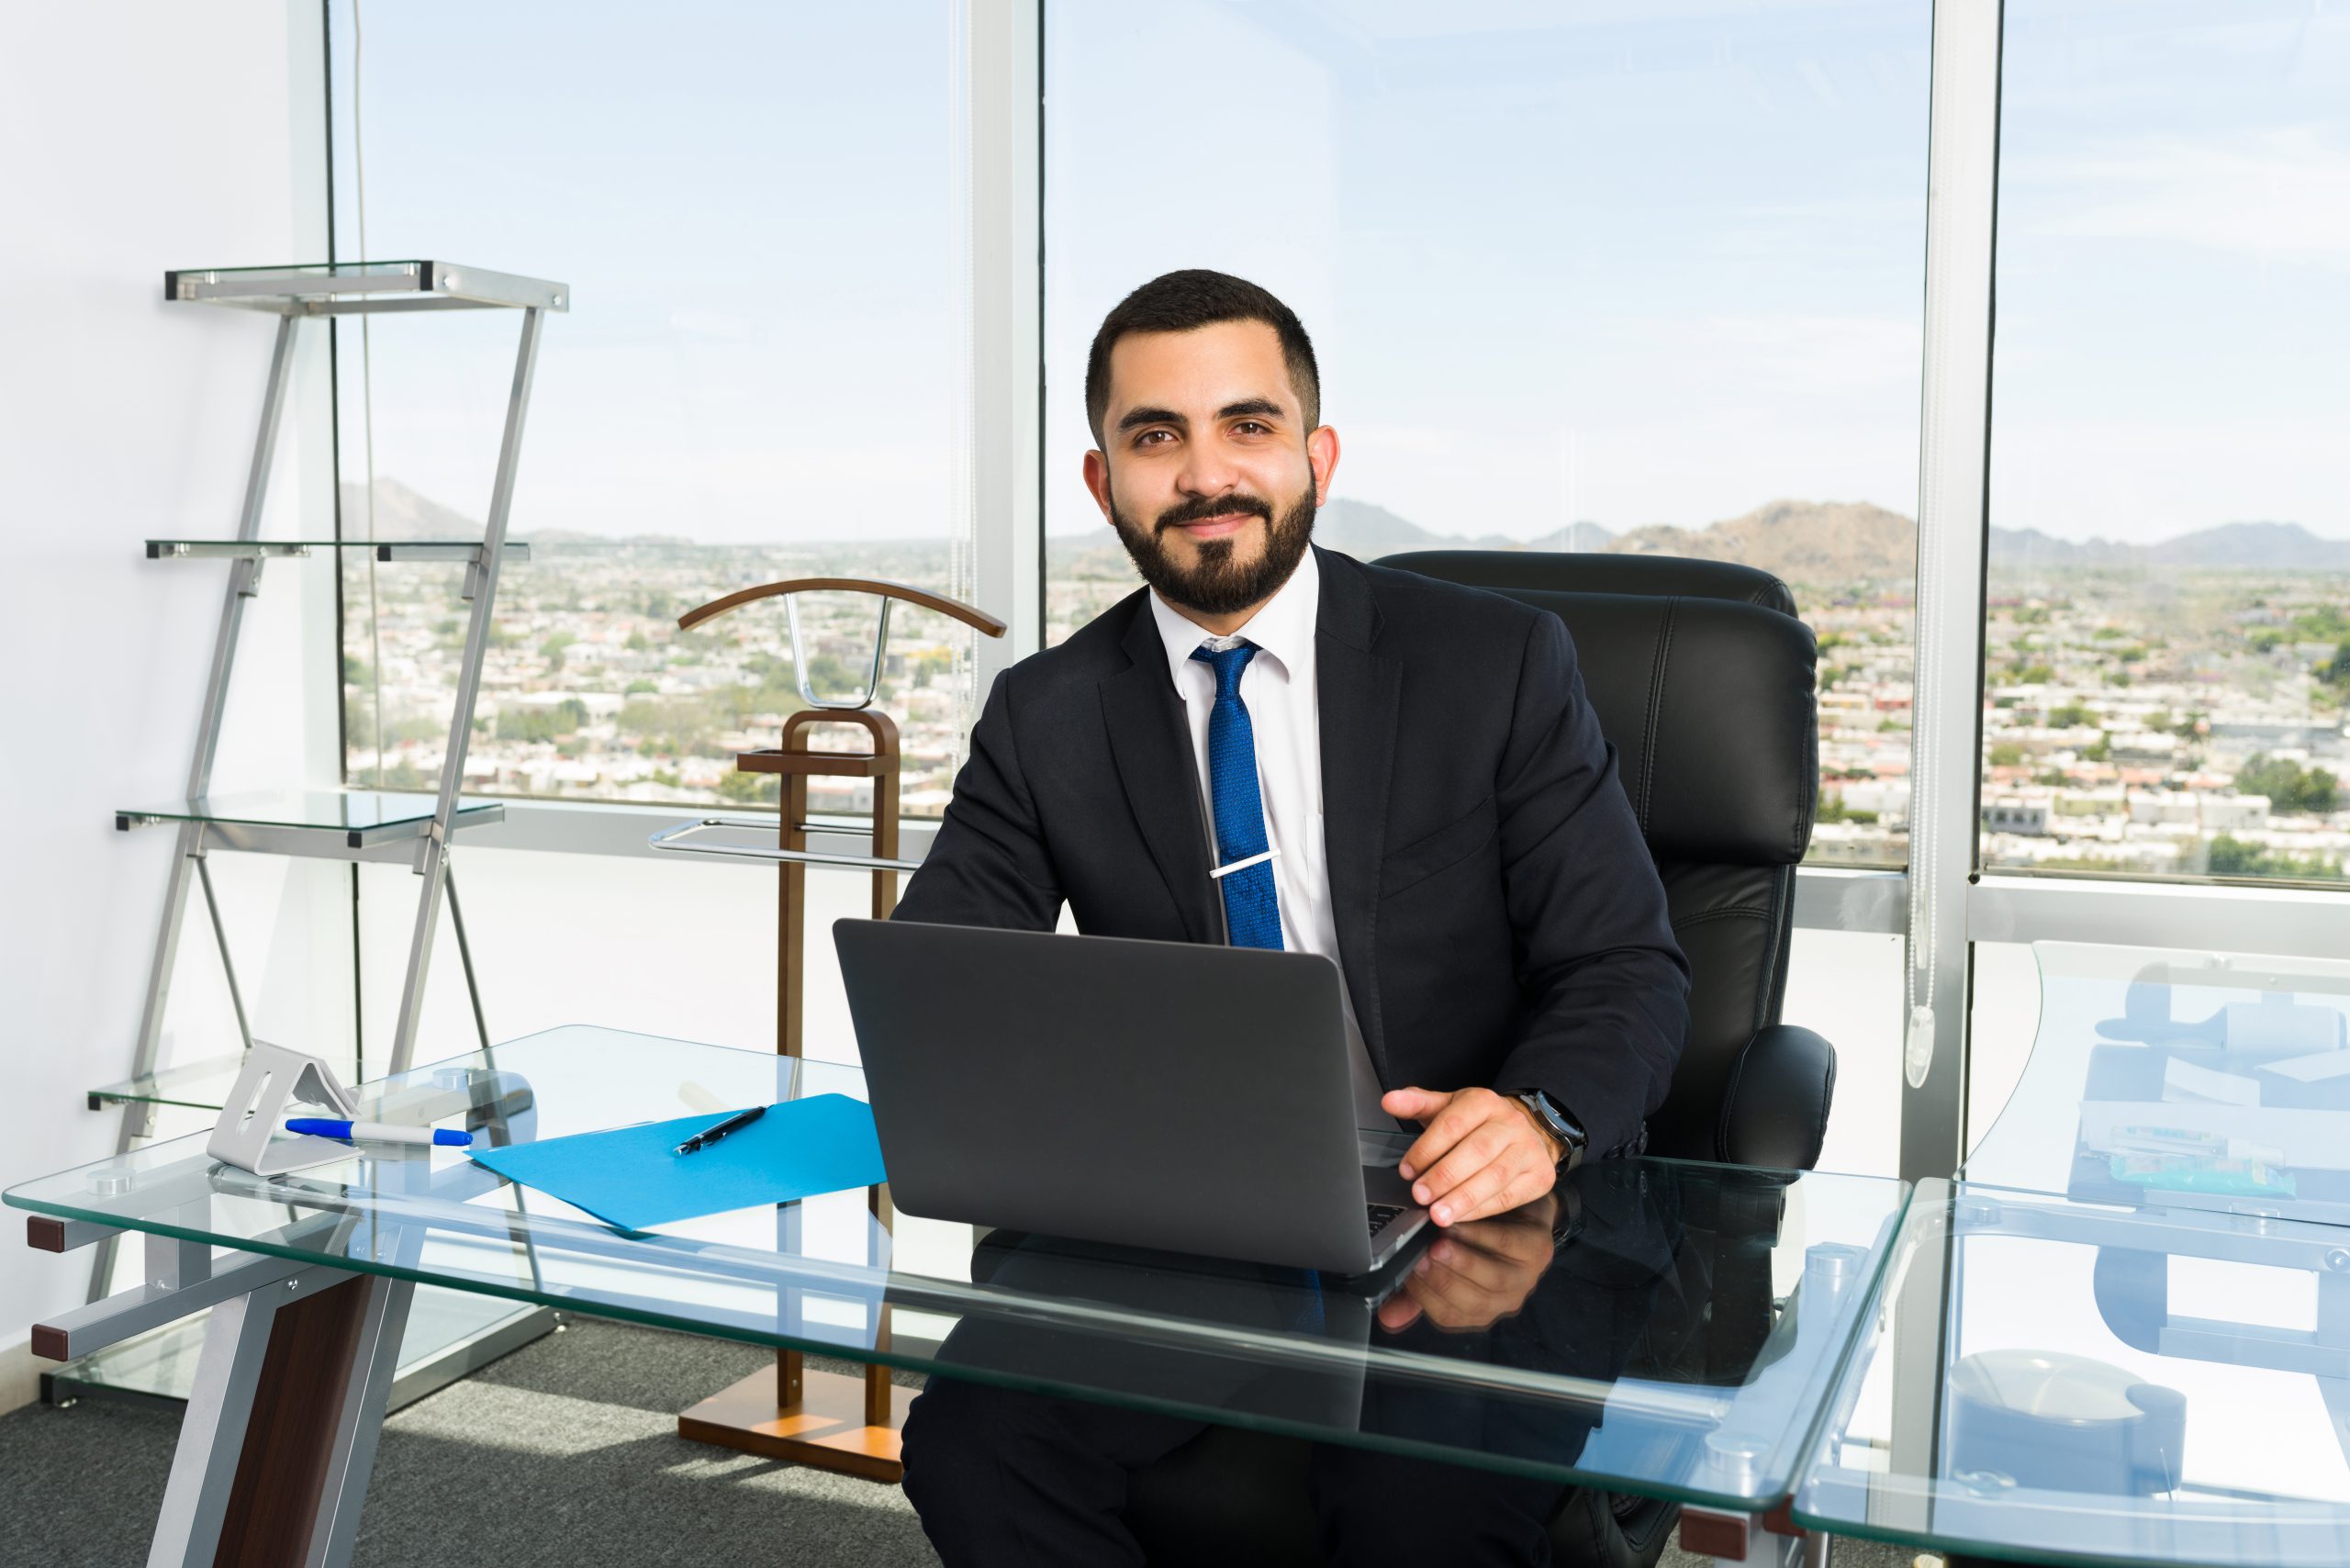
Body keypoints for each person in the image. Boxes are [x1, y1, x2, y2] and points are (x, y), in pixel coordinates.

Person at [890, 268, 1691, 1565]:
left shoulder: (1492, 665)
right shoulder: (1047, 714)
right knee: (976, 1452)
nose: (1207, 475)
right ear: (1104, 482)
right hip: (1190, 1231)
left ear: (1315, 455)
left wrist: (1537, 1119)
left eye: (1247, 427)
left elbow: (1627, 971)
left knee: (1411, 1506)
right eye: (1156, 437)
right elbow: (943, 985)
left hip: (1468, 1219)